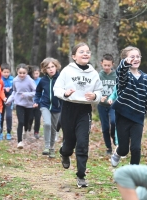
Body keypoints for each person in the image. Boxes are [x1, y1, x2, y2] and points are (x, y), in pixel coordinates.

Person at [53, 42, 103, 187]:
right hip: (68, 108)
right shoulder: (67, 71)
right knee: (69, 143)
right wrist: (65, 93)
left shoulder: (93, 73)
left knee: (82, 143)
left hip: (84, 110)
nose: (86, 54)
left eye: (88, 51)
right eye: (82, 52)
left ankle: (81, 176)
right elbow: (57, 89)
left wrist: (94, 96)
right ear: (74, 56)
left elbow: (99, 91)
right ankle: (64, 153)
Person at [110, 46, 147, 167]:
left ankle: (133, 174)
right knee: (124, 149)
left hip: (138, 117)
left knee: (136, 148)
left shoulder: (145, 77)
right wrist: (124, 63)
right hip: (123, 115)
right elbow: (120, 72)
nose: (135, 59)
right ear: (125, 59)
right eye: (132, 57)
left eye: (138, 56)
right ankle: (118, 153)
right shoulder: (124, 76)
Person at [34, 58, 62, 158]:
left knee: (54, 129)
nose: (51, 69)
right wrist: (36, 101)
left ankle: (52, 148)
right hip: (44, 105)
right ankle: (46, 146)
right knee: (47, 123)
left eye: (52, 67)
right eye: (48, 68)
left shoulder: (61, 78)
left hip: (57, 107)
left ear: (56, 67)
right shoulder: (43, 80)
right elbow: (38, 92)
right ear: (44, 70)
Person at [6, 63, 36, 149]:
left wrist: (27, 94)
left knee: (28, 121)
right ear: (17, 72)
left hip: (29, 104)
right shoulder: (15, 80)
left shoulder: (30, 81)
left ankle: (26, 130)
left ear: (27, 73)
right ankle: (19, 142)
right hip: (19, 104)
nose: (22, 75)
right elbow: (14, 92)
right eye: (20, 73)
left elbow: (35, 92)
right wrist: (9, 100)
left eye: (24, 73)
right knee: (21, 122)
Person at [98, 54, 117, 155]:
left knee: (113, 122)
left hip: (113, 105)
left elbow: (119, 89)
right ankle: (108, 148)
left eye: (108, 65)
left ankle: (114, 137)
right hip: (101, 105)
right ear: (101, 64)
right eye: (105, 65)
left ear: (112, 64)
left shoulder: (116, 75)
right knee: (105, 127)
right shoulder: (98, 75)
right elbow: (94, 88)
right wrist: (98, 97)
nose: (106, 67)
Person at [0, 63, 14, 141]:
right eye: (4, 72)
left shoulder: (13, 79)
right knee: (1, 117)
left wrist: (10, 90)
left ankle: (8, 132)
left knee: (9, 116)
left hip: (9, 99)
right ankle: (0, 132)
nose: (6, 74)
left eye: (7, 72)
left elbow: (15, 89)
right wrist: (4, 89)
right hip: (1, 99)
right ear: (1, 72)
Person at [29, 67, 42, 139]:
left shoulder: (41, 80)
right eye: (34, 73)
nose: (36, 75)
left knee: (37, 118)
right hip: (30, 102)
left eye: (37, 73)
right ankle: (28, 128)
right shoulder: (29, 81)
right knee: (30, 117)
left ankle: (36, 132)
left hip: (39, 102)